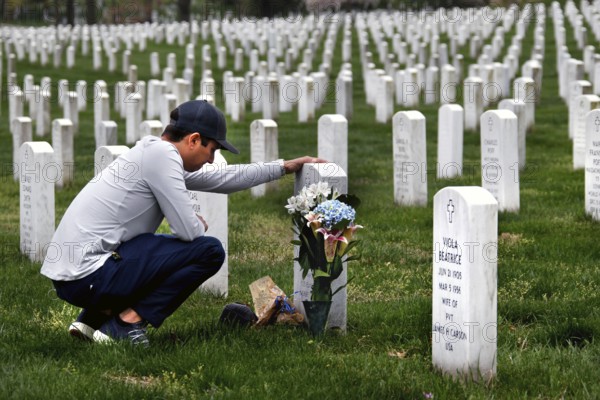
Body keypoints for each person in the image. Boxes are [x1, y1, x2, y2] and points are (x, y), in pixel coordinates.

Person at [41, 100, 327, 346]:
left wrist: (282, 167)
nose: (212, 159)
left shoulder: (153, 153)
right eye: (212, 149)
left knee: (157, 248)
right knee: (208, 251)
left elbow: (222, 179)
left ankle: (91, 321)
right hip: (88, 277)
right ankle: (125, 324)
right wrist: (197, 222)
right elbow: (188, 231)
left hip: (75, 275)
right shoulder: (162, 156)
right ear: (193, 139)